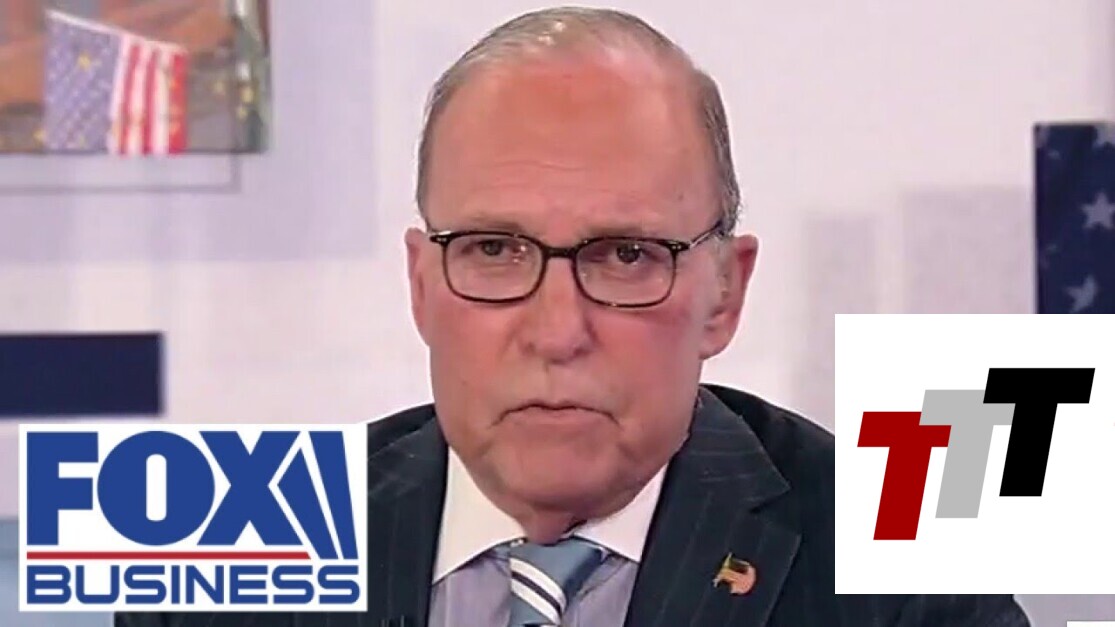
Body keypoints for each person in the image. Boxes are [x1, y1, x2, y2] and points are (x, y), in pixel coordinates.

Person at [117, 6, 1032, 626]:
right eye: (493, 249)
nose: (557, 330)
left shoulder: (903, 574)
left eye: (626, 255)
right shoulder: (222, 566)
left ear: (724, 293)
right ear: (422, 284)